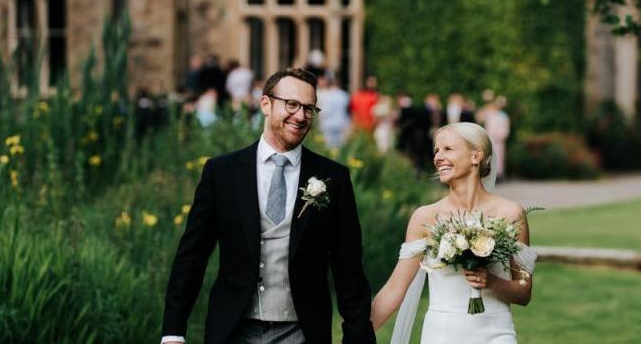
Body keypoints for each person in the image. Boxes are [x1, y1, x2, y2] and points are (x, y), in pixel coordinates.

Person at [161, 67, 376, 344]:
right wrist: (173, 331)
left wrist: (357, 336)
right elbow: (192, 256)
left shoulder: (333, 177)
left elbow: (348, 267)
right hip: (233, 329)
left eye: (309, 109)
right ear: (265, 104)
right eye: (292, 104)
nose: (300, 116)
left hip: (301, 331)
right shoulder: (222, 172)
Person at [371, 122, 535, 344]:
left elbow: (524, 292)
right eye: (436, 151)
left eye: (448, 149)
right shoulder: (425, 217)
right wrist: (357, 333)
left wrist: (492, 282)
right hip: (442, 334)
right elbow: (394, 289)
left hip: (497, 333)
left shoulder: (510, 213)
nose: (438, 157)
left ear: (477, 156)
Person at [479, 92, 511, 181]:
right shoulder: (489, 113)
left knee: (499, 157)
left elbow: (506, 128)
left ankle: (499, 175)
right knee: (489, 156)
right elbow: (479, 117)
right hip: (489, 138)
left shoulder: (503, 115)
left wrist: (503, 135)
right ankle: (489, 174)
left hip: (499, 139)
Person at [317, 74, 351, 149]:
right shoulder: (345, 95)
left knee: (328, 148)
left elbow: (322, 112)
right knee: (339, 148)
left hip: (327, 124)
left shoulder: (324, 95)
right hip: (342, 123)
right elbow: (348, 111)